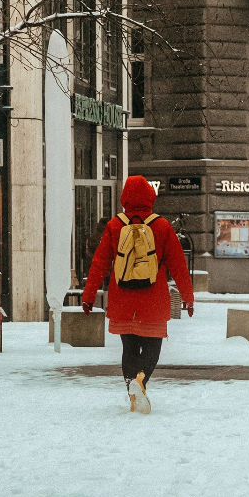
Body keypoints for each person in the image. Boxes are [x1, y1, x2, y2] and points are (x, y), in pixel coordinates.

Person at [82, 175, 194, 414]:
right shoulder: (162, 226)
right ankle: (141, 381)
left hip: (123, 300)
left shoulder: (115, 225)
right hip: (153, 299)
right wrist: (188, 297)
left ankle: (133, 393)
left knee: (129, 349)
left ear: (125, 198)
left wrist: (89, 296)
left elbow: (99, 263)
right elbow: (179, 266)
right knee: (153, 347)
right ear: (150, 197)